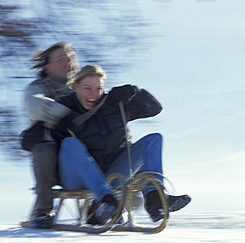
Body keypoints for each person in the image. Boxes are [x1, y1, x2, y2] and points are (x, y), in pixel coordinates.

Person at [53, 64, 191, 224]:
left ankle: (155, 200)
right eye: (87, 88)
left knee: (154, 139)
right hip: (76, 177)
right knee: (70, 143)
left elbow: (154, 109)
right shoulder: (62, 106)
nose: (93, 94)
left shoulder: (113, 105)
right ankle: (106, 201)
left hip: (111, 175)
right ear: (76, 86)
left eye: (98, 89)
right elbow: (40, 125)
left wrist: (133, 92)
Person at [23, 42, 79, 228]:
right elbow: (35, 105)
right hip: (54, 160)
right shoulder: (38, 87)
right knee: (41, 149)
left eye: (70, 58)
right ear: (47, 67)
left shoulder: (84, 88)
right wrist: (69, 115)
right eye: (61, 59)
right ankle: (43, 210)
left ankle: (103, 206)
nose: (67, 62)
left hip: (84, 154)